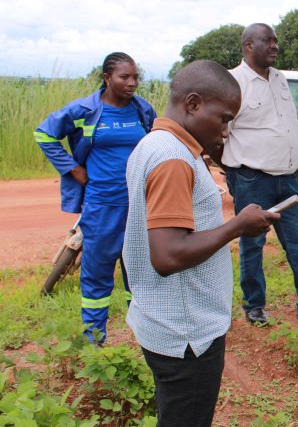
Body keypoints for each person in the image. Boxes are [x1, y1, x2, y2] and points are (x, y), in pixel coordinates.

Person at [123, 60, 279, 427]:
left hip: (169, 323)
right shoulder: (173, 159)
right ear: (193, 104)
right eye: (223, 119)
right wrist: (237, 226)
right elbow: (167, 254)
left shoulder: (155, 145)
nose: (225, 131)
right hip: (186, 334)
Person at [218, 23, 298, 327]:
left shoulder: (280, 79)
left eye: (276, 41)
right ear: (249, 46)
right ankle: (254, 306)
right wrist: (233, 170)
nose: (275, 46)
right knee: (253, 244)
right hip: (251, 179)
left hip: (287, 178)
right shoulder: (232, 83)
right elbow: (218, 133)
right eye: (268, 41)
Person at [34, 52, 157, 343]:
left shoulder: (142, 110)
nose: (132, 83)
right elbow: (44, 134)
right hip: (102, 205)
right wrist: (73, 168)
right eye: (124, 77)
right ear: (107, 78)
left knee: (140, 272)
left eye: (135, 77)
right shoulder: (85, 110)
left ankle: (145, 338)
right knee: (97, 273)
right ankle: (94, 339)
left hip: (139, 206)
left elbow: (155, 143)